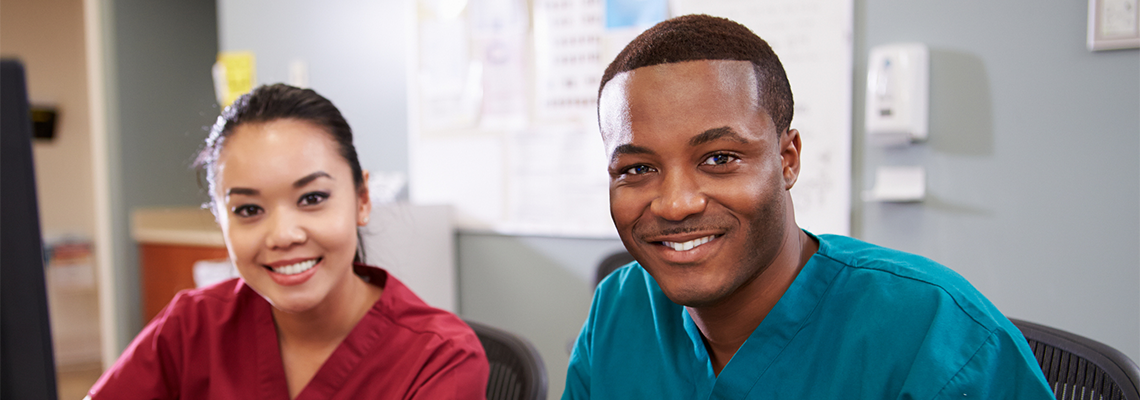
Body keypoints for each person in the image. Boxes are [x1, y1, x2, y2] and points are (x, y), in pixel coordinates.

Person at [563, 15, 1054, 399]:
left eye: (720, 158)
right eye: (636, 169)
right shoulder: (619, 308)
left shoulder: (935, 336)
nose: (675, 204)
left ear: (787, 158)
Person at [88, 84, 489, 399]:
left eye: (312, 199)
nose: (283, 235)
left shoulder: (439, 358)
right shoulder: (192, 326)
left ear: (362, 200)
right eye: (248, 210)